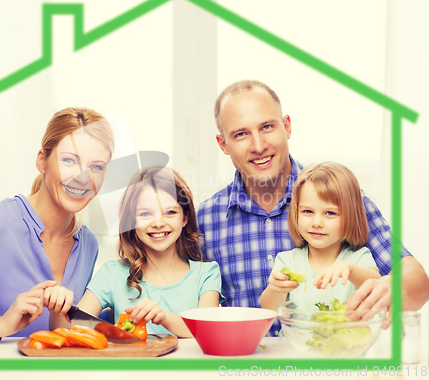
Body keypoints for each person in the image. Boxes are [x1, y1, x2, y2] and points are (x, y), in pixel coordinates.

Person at [197, 80, 429, 336]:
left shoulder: (340, 199)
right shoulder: (207, 219)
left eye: (267, 127)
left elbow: (418, 284)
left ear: (286, 126)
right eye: (241, 134)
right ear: (222, 144)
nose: (258, 145)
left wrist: (392, 288)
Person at [0, 107, 114, 343]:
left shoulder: (88, 243)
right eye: (69, 160)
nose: (83, 177)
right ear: (42, 161)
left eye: (96, 166)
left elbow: (74, 326)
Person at [51, 166, 224, 337]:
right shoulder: (112, 273)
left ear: (184, 218)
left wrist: (163, 317)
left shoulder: (206, 274)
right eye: (146, 214)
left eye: (170, 212)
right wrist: (58, 306)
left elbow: (206, 330)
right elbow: (71, 331)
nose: (158, 223)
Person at [260, 162, 380, 311]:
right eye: (307, 212)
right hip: (295, 335)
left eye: (330, 213)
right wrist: (275, 289)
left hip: (346, 335)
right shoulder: (288, 261)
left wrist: (350, 270)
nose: (316, 223)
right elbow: (269, 310)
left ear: (350, 216)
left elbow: (376, 285)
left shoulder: (358, 258)